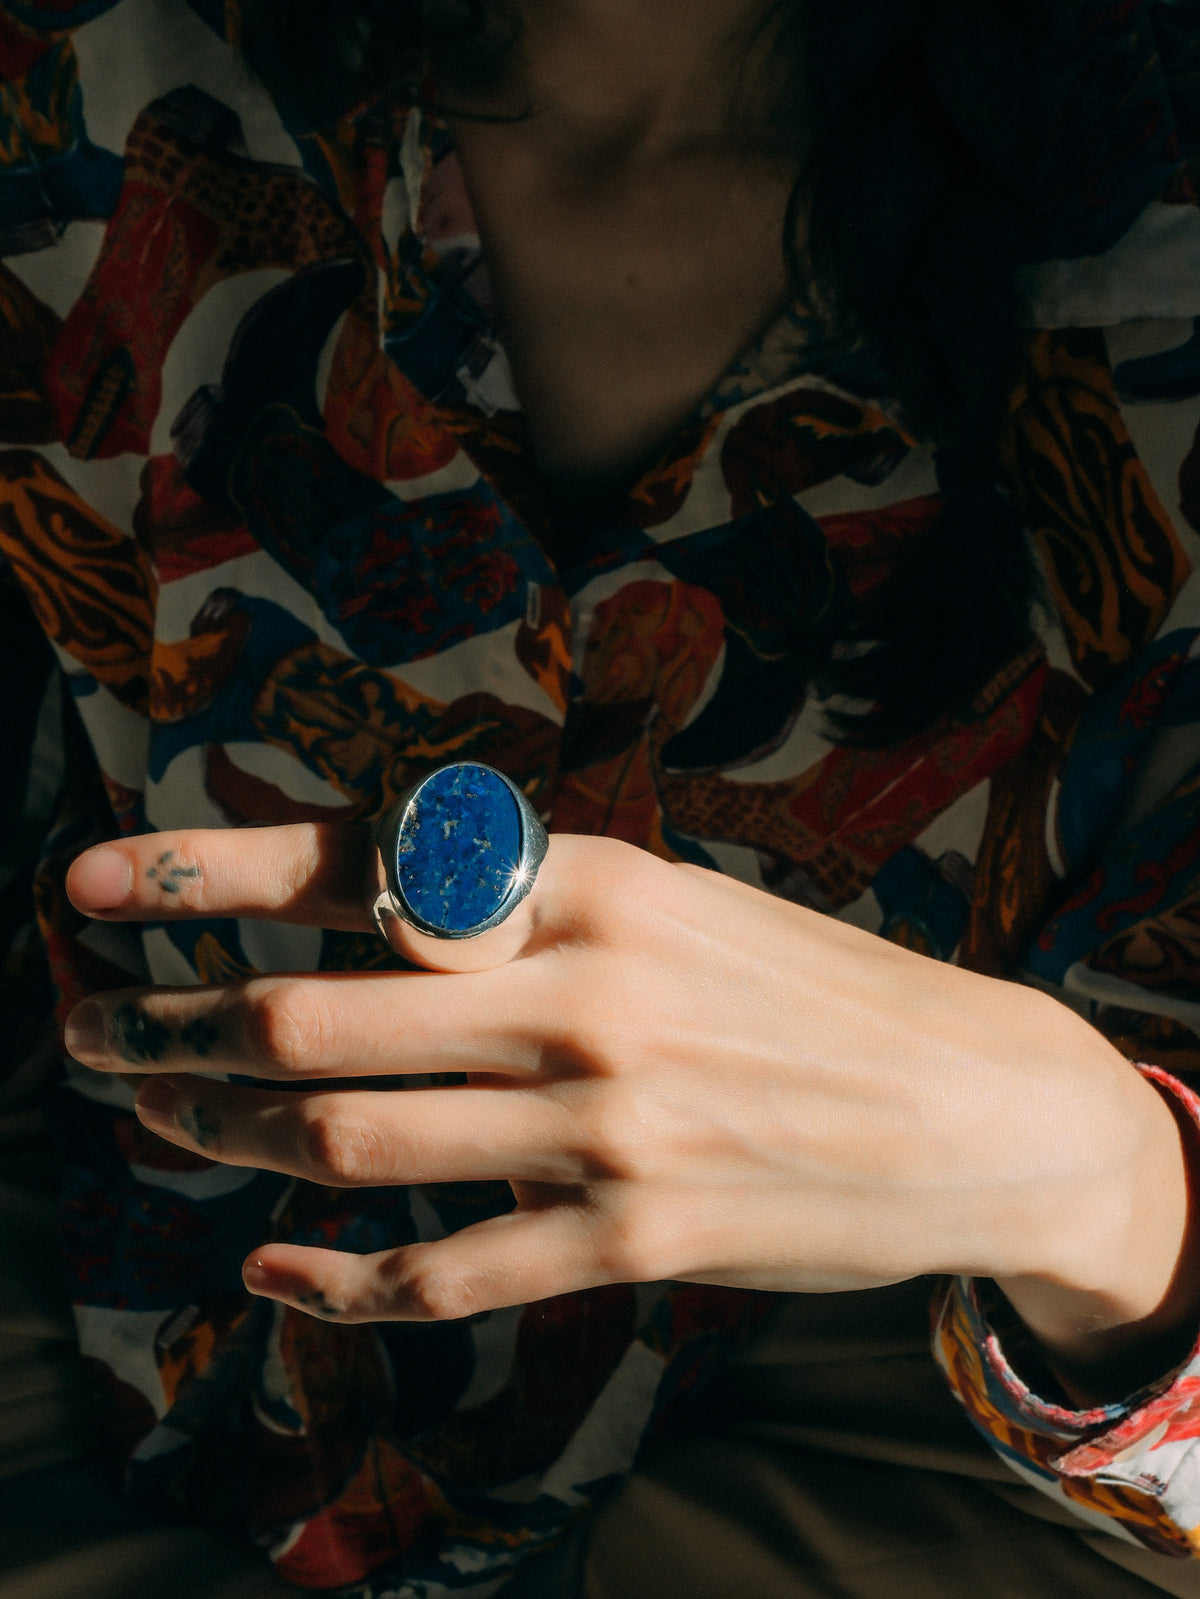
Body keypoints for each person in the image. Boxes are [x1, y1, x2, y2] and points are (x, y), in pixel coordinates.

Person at [1, 0, 1200, 1595]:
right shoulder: (89, 84)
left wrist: (1107, 1185)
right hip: (87, 1379)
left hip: (878, 1474)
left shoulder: (1158, 249)